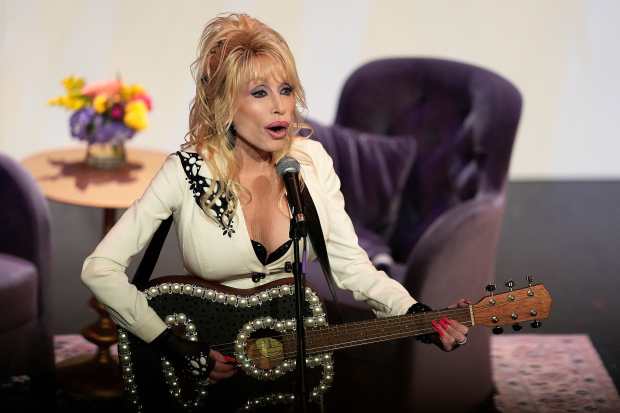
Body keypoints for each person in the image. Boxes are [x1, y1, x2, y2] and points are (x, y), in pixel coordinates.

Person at [81, 12, 470, 412]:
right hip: (204, 381)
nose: (281, 107)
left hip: (286, 370)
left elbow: (352, 267)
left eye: (285, 89)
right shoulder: (187, 170)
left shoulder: (311, 163)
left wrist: (417, 314)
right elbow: (100, 268)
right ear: (225, 103)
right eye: (259, 92)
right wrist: (170, 343)